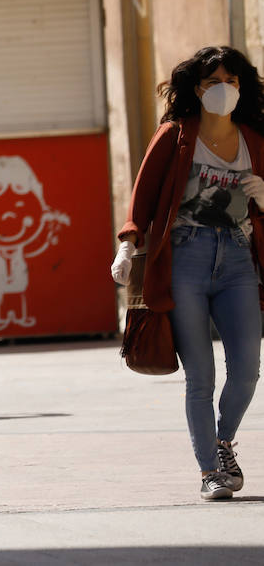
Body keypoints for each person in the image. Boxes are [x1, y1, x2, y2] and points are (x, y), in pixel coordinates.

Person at [112, 45, 264, 500]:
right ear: (196, 89)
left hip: (238, 260)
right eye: (213, 82)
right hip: (185, 258)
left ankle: (221, 442)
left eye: (231, 81)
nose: (224, 89)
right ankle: (211, 472)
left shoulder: (254, 140)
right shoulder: (176, 135)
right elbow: (142, 197)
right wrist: (127, 245)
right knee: (201, 375)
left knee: (247, 371)